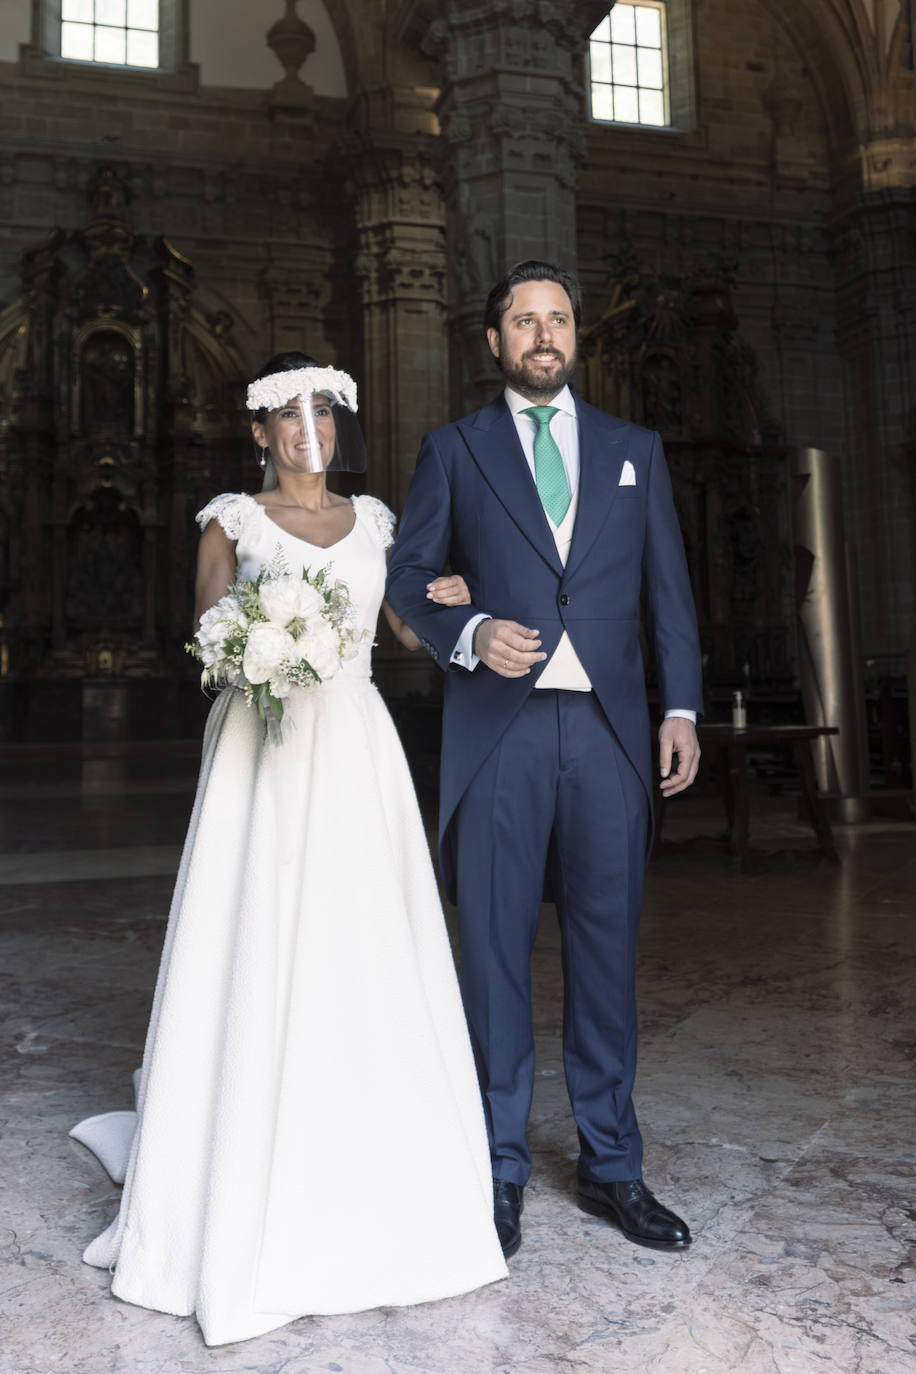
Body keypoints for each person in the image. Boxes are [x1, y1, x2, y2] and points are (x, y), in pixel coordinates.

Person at [70, 352, 507, 1347]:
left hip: (353, 748)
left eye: (324, 408)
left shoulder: (381, 522)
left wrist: (450, 601)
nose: (309, 426)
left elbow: (399, 630)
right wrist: (262, 636)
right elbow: (206, 632)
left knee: (363, 942)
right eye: (288, 413)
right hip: (260, 752)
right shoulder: (232, 520)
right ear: (260, 430)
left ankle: (364, 1148)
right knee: (261, 937)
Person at [386, 262, 703, 1260]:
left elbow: (668, 593)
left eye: (557, 318)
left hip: (609, 733)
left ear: (575, 336)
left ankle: (613, 1168)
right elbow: (404, 576)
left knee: (606, 958)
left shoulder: (632, 451)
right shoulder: (454, 449)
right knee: (492, 958)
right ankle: (496, 1170)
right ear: (493, 342)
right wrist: (471, 630)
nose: (542, 334)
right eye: (523, 320)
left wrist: (681, 706)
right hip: (500, 735)